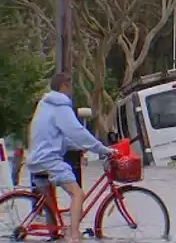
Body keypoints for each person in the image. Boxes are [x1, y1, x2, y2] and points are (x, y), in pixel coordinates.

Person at [26, 72, 115, 242]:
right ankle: (74, 235)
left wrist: (80, 147)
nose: (71, 90)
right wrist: (103, 150)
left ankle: (57, 234)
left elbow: (60, 136)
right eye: (70, 86)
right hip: (48, 160)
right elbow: (77, 132)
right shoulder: (60, 106)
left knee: (51, 204)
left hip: (37, 158)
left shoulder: (45, 104)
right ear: (63, 86)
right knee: (78, 194)